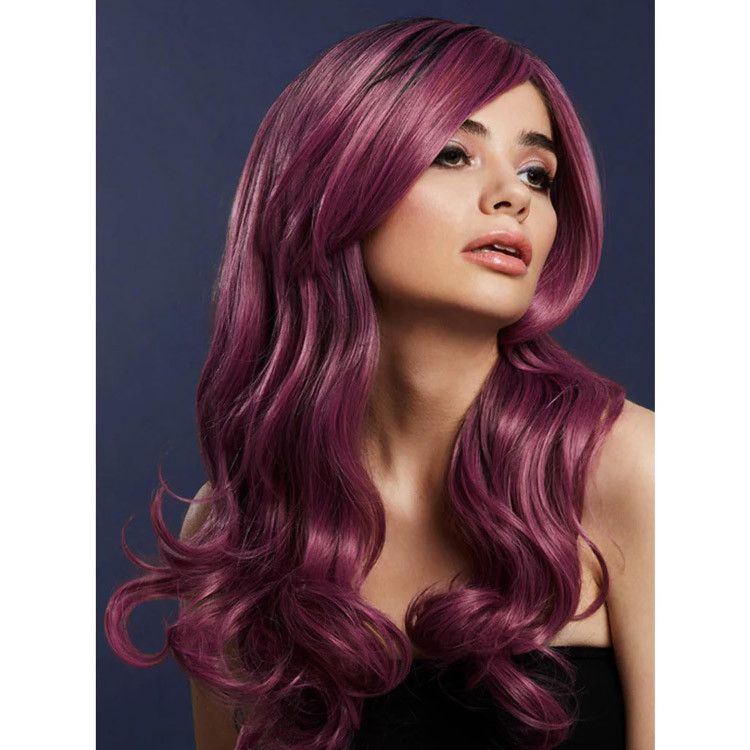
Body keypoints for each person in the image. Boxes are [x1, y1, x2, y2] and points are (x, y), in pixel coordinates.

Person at [105, 16, 654, 750]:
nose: (513, 197)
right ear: (333, 188)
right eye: (453, 154)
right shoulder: (239, 525)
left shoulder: (633, 470)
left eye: (537, 174)